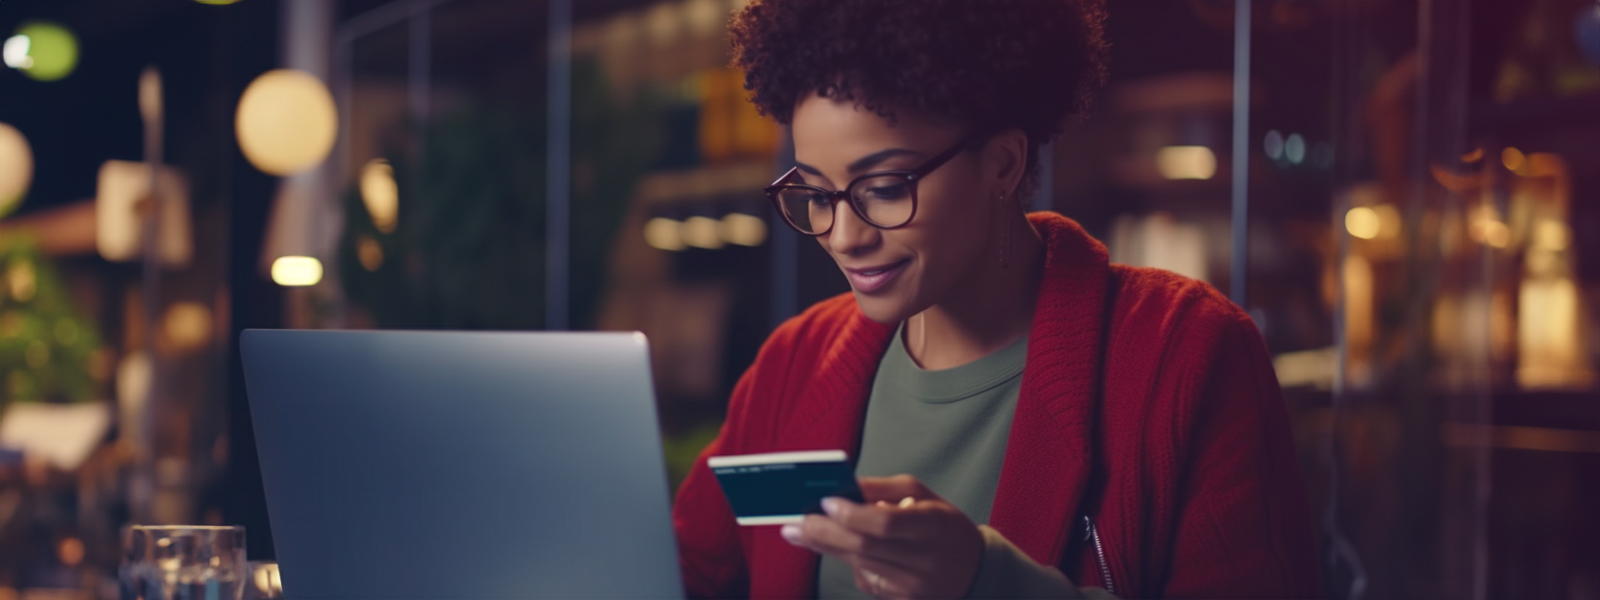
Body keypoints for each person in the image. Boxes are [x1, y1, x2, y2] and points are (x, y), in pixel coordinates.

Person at [671, 0, 1322, 598]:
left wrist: (985, 581)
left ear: (1004, 164)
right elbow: (674, 570)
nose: (844, 236)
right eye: (816, 194)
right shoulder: (796, 364)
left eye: (886, 188)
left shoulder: (1186, 356)